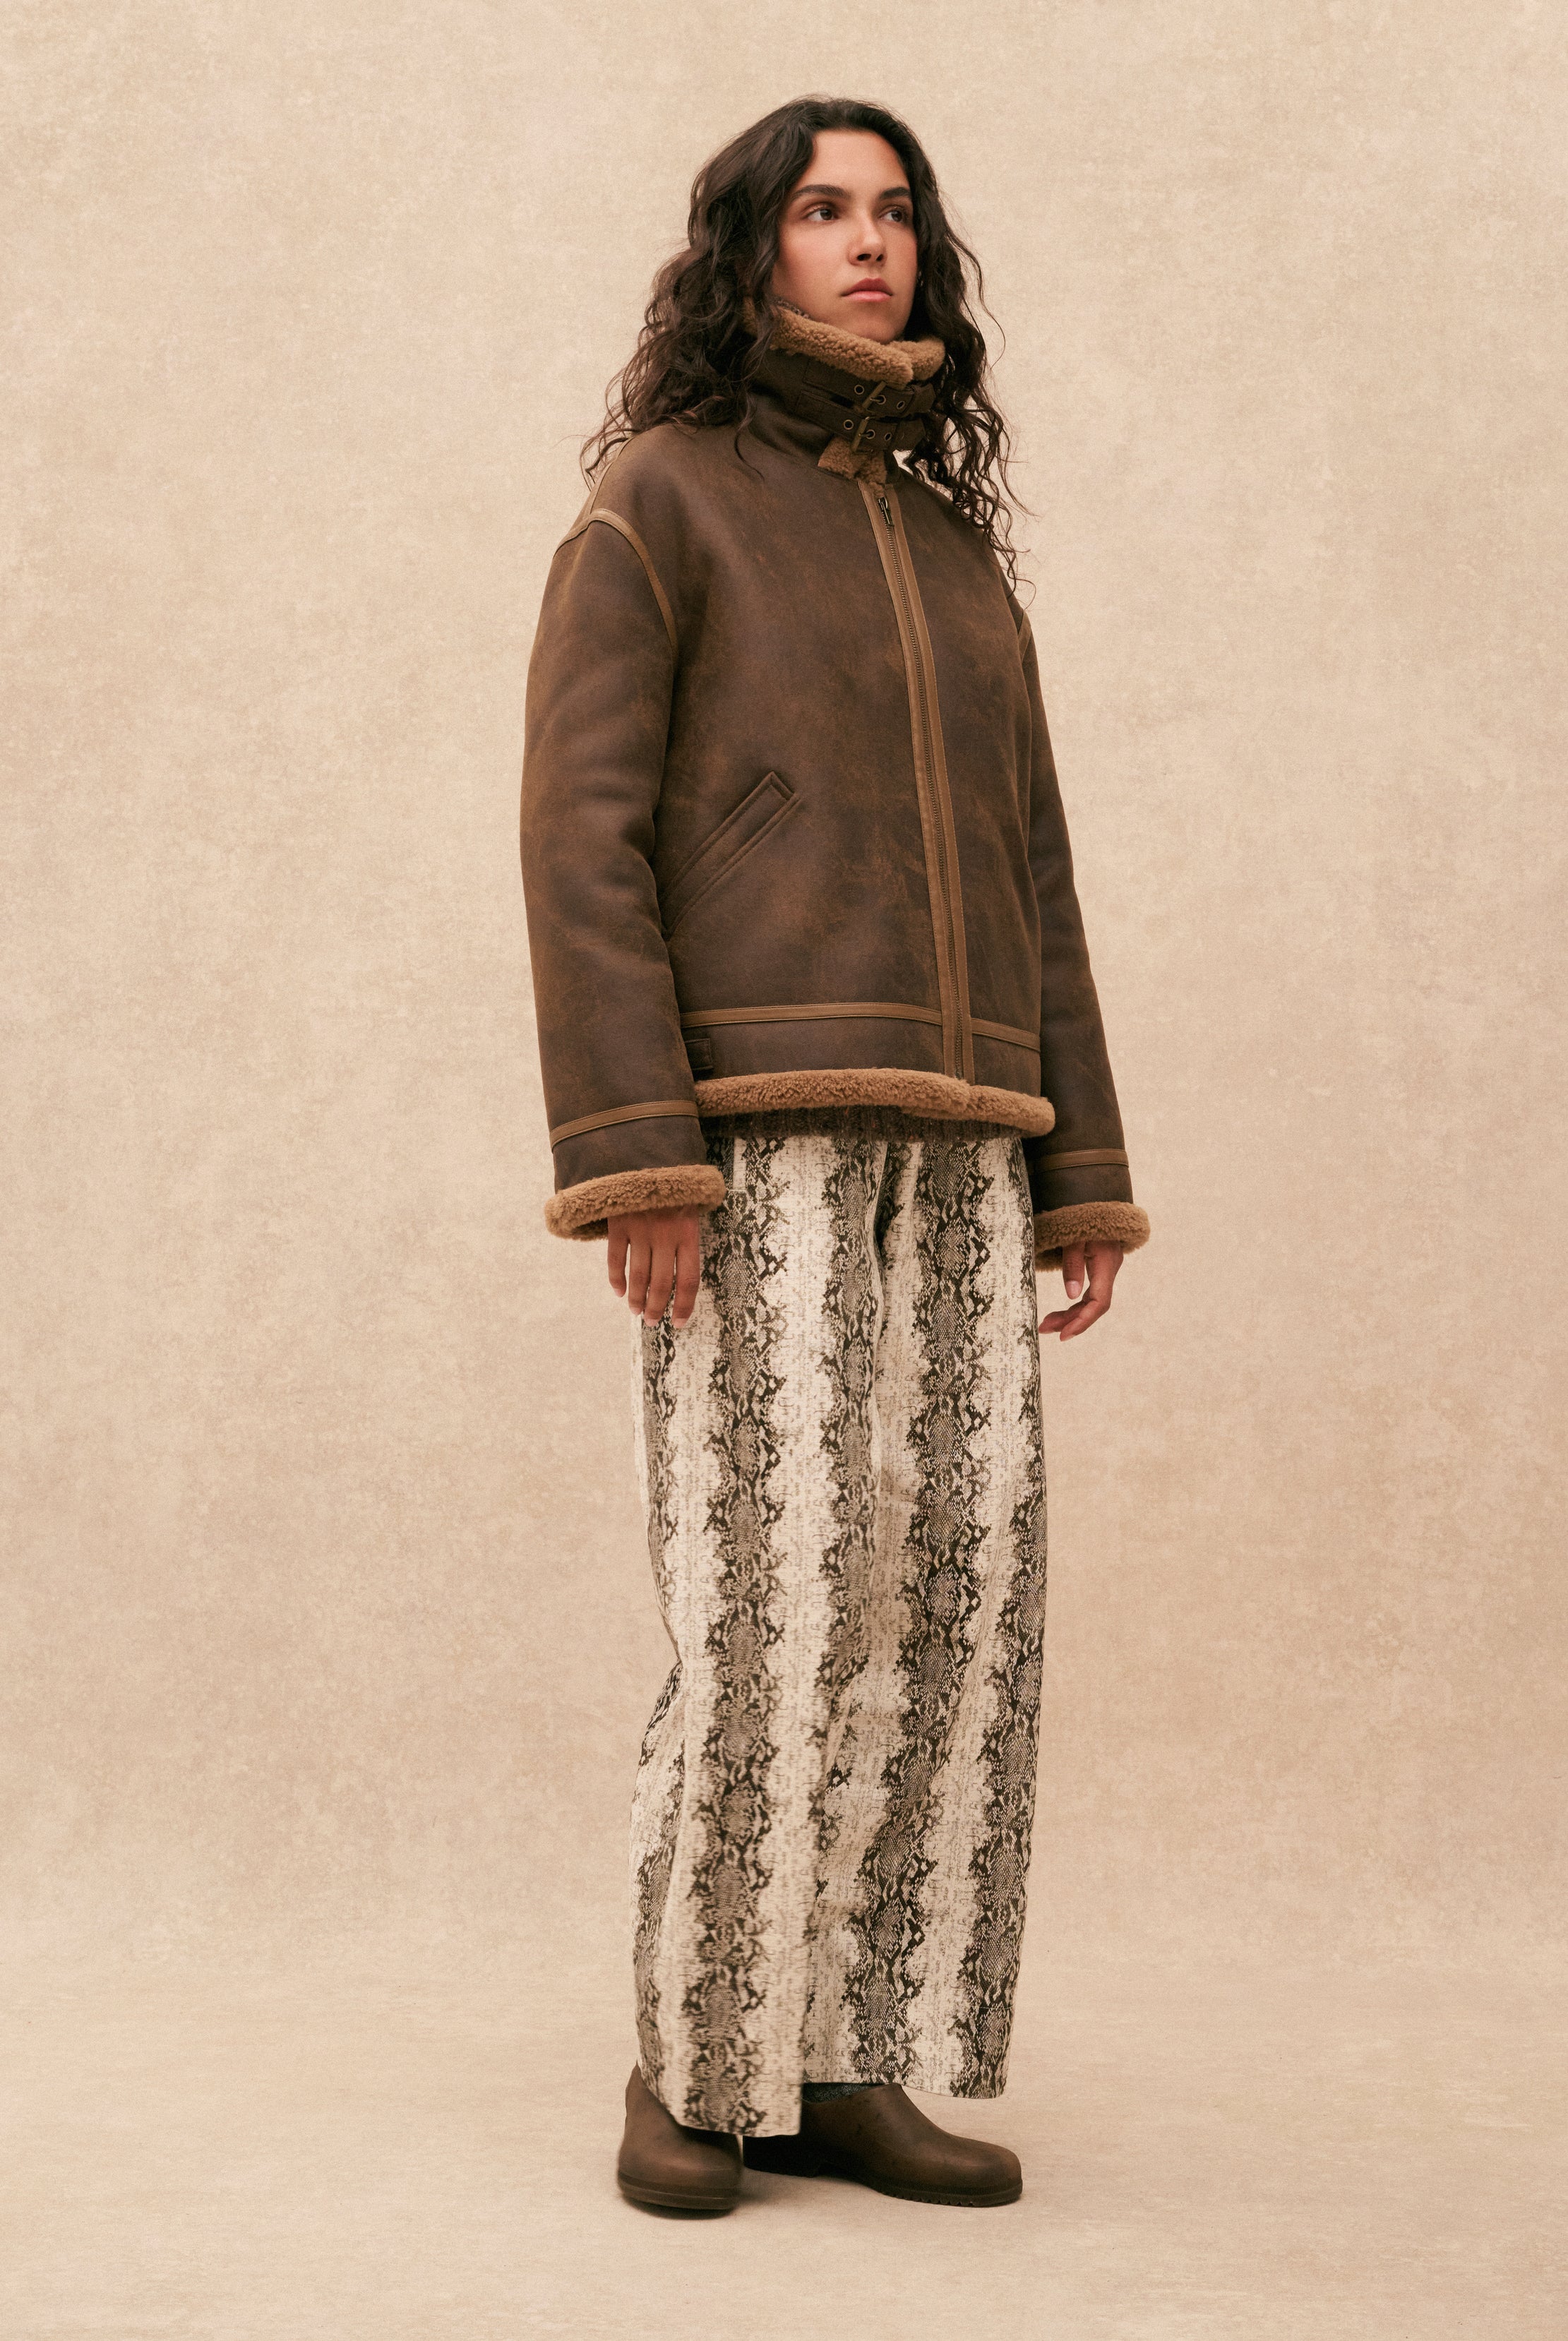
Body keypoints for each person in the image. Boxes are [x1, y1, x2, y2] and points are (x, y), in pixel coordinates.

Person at [519, 95, 1149, 2216]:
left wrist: (1083, 1164)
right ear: (750, 248)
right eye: (820, 209)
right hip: (755, 1143)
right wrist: (641, 1152)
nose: (866, 242)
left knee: (950, 1599)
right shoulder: (658, 505)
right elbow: (580, 841)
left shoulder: (961, 563)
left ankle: (852, 2060)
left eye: (893, 212)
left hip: (967, 1149)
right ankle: (695, 2069)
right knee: (771, 1598)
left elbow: (1037, 872)